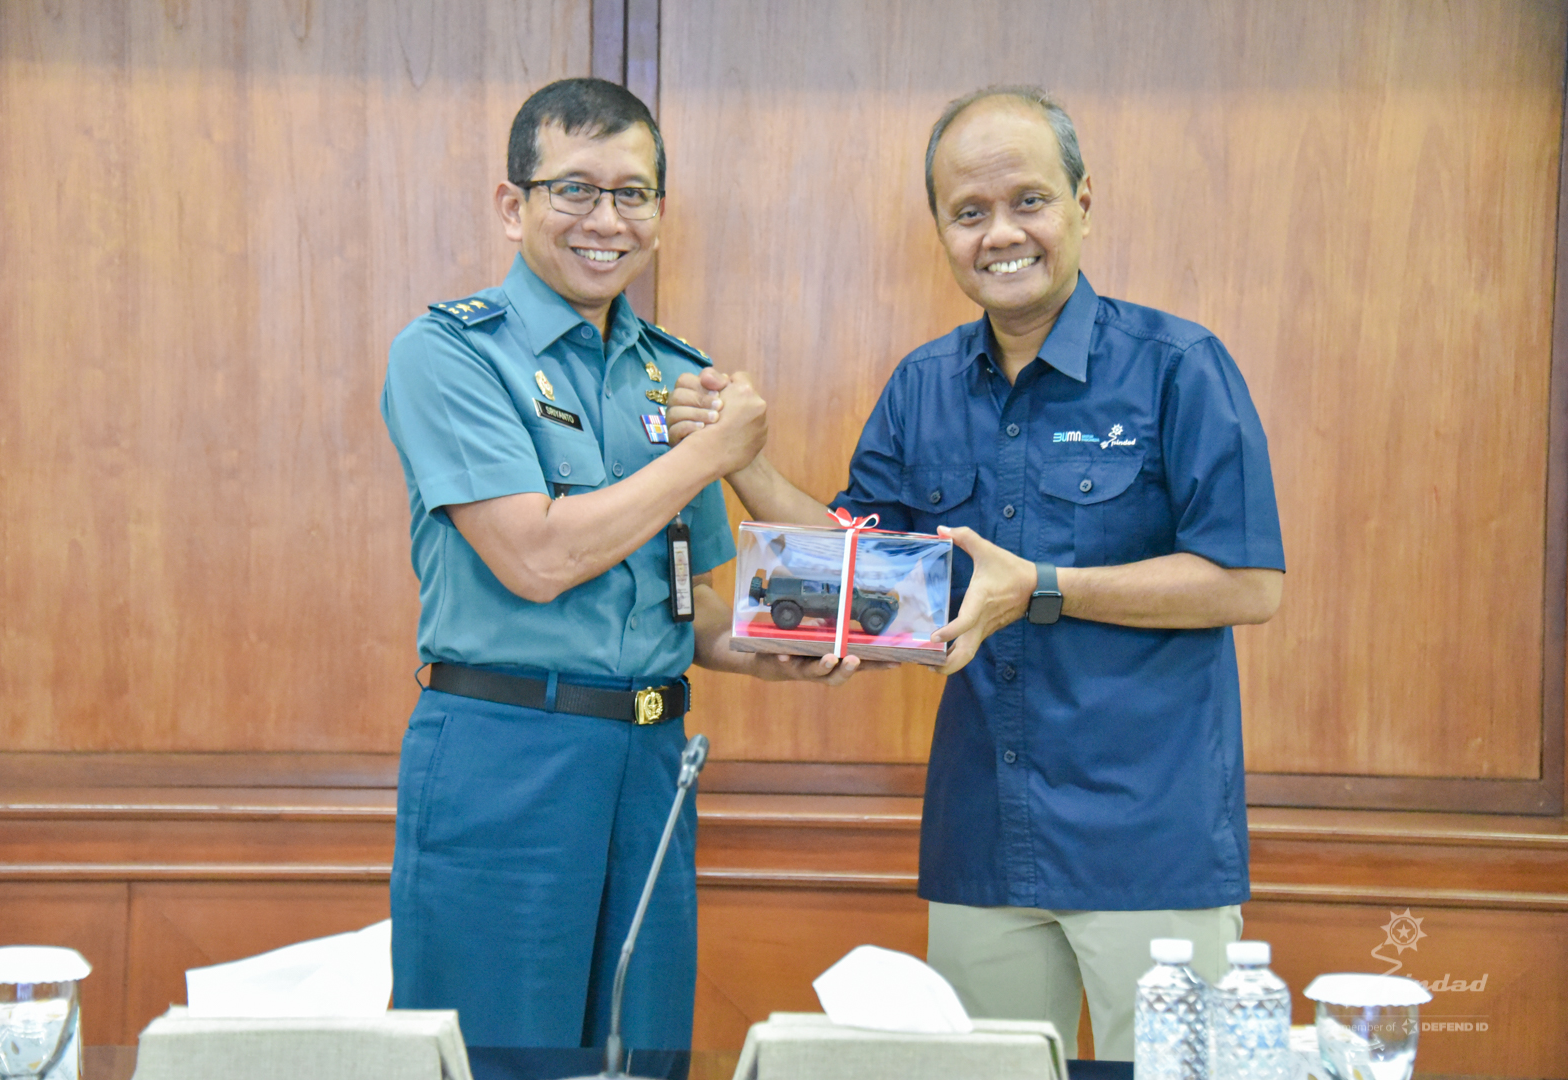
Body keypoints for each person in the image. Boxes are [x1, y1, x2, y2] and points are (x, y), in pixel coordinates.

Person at [667, 86, 1284, 1059]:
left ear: (1082, 203)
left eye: (1029, 201)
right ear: (942, 231)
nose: (1001, 233)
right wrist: (739, 459)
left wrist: (1041, 586)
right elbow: (857, 574)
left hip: (1151, 845)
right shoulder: (921, 386)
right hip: (985, 840)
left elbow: (1248, 583)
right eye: (969, 212)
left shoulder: (1179, 366)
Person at [380, 78, 865, 1051]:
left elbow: (693, 602)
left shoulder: (672, 374)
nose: (607, 220)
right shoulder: (450, 354)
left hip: (652, 762)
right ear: (513, 205)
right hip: (508, 752)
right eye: (575, 189)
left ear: (659, 213)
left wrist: (778, 647)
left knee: (639, 1052)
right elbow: (537, 557)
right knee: (499, 1055)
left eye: (633, 194)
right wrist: (710, 453)